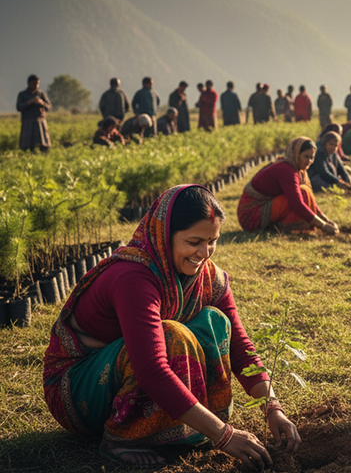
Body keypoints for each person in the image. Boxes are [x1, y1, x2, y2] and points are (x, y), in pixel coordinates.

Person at [43, 185, 301, 469]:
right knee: (172, 336)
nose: (204, 253)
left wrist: (273, 408)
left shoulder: (207, 277)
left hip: (126, 375)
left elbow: (241, 346)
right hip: (79, 391)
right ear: (165, 236)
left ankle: (193, 425)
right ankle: (121, 438)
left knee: (214, 321)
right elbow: (151, 369)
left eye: (212, 241)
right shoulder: (134, 277)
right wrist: (224, 436)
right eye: (194, 242)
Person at [237, 137, 339, 235]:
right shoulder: (287, 170)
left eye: (312, 157)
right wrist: (323, 225)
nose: (309, 161)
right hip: (250, 217)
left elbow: (305, 200)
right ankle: (282, 227)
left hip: (258, 210)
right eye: (306, 157)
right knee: (302, 192)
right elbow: (297, 203)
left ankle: (278, 225)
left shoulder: (295, 168)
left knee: (303, 191)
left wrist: (326, 219)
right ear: (295, 154)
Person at [16, 74, 51, 152]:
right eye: (34, 84)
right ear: (29, 84)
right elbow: (19, 107)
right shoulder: (22, 94)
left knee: (42, 143)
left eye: (37, 84)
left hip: (40, 122)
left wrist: (42, 103)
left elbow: (49, 107)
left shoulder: (41, 94)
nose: (36, 86)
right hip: (27, 122)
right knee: (27, 144)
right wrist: (29, 102)